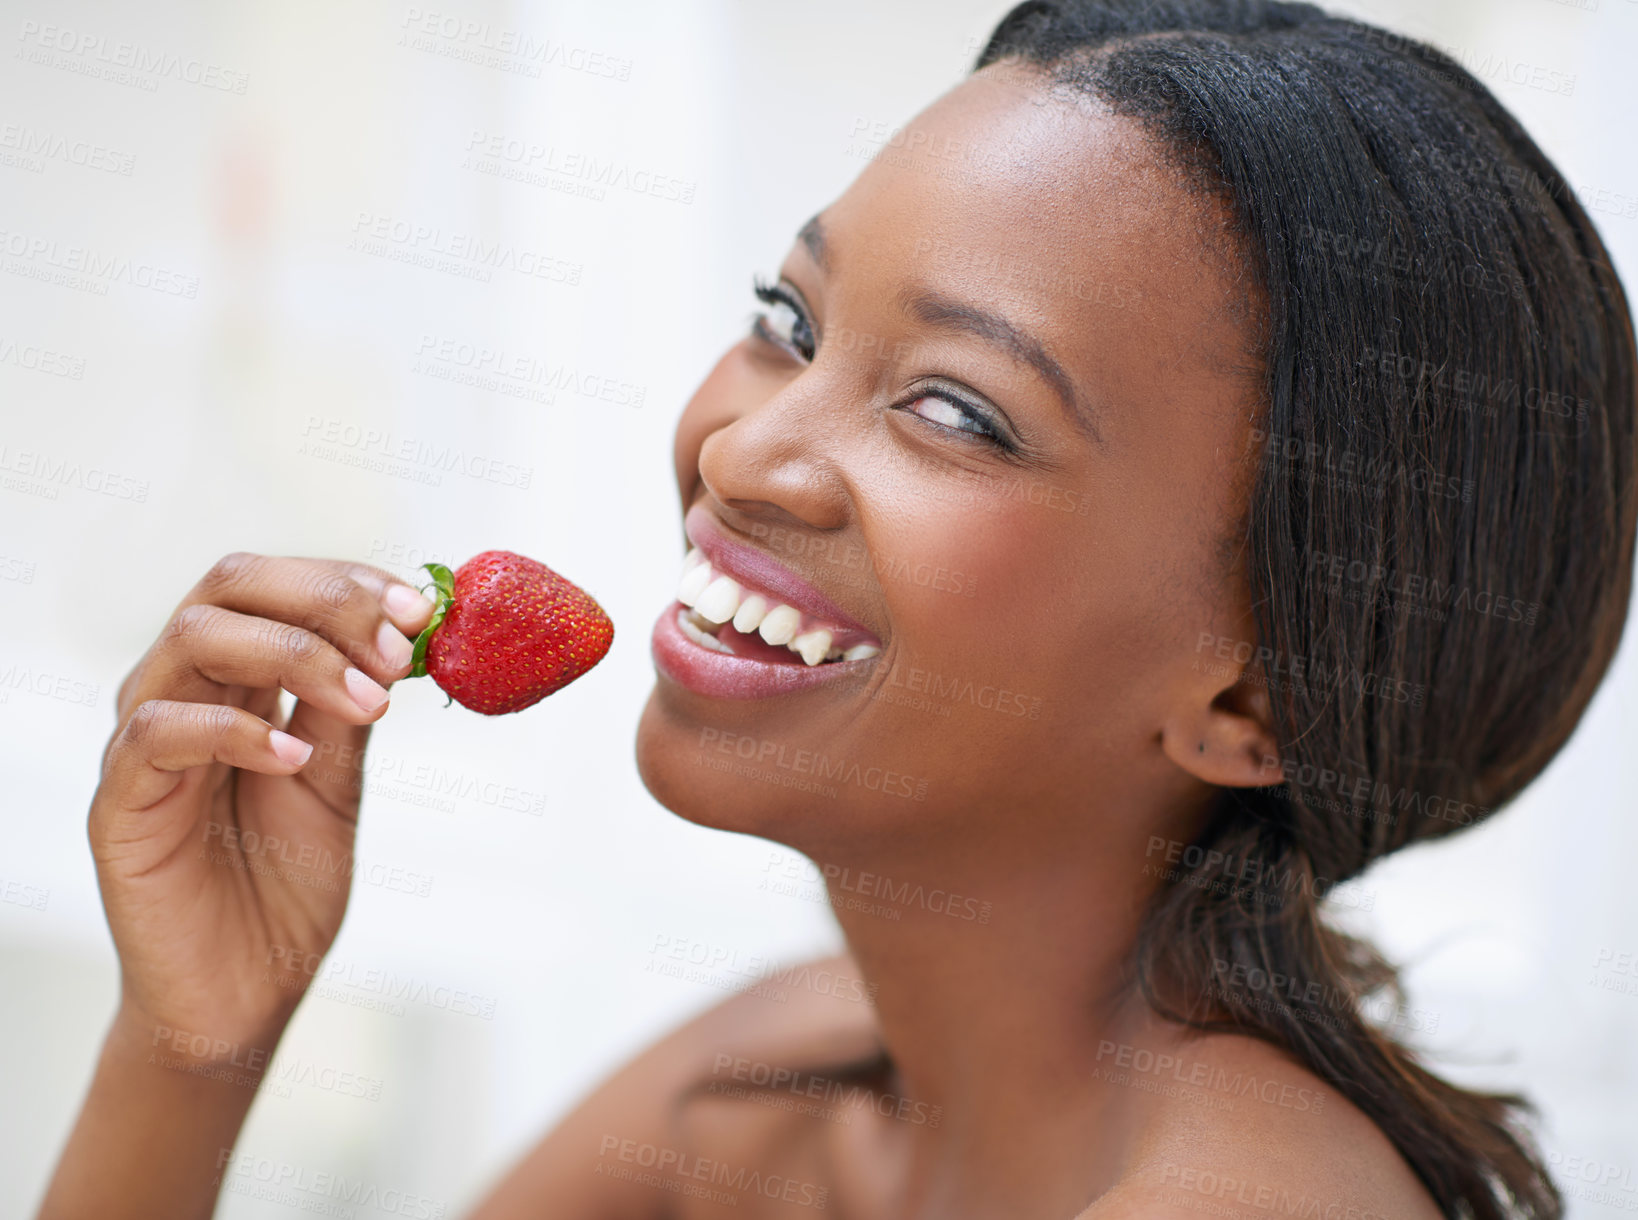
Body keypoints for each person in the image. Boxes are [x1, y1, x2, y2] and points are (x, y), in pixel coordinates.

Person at [38, 2, 1636, 1217]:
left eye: (957, 411)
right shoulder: (780, 1088)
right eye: (786, 320)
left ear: (1255, 703)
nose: (743, 449)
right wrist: (190, 1046)